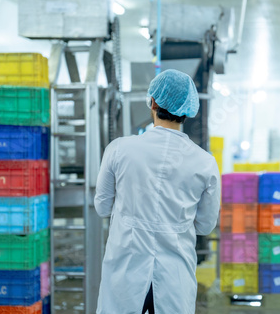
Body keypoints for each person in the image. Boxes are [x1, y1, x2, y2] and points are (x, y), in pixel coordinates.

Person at [94, 69, 221, 314]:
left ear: (152, 102)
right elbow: (205, 226)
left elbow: (101, 207)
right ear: (187, 110)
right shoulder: (205, 162)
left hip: (125, 274)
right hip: (174, 278)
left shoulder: (119, 149)